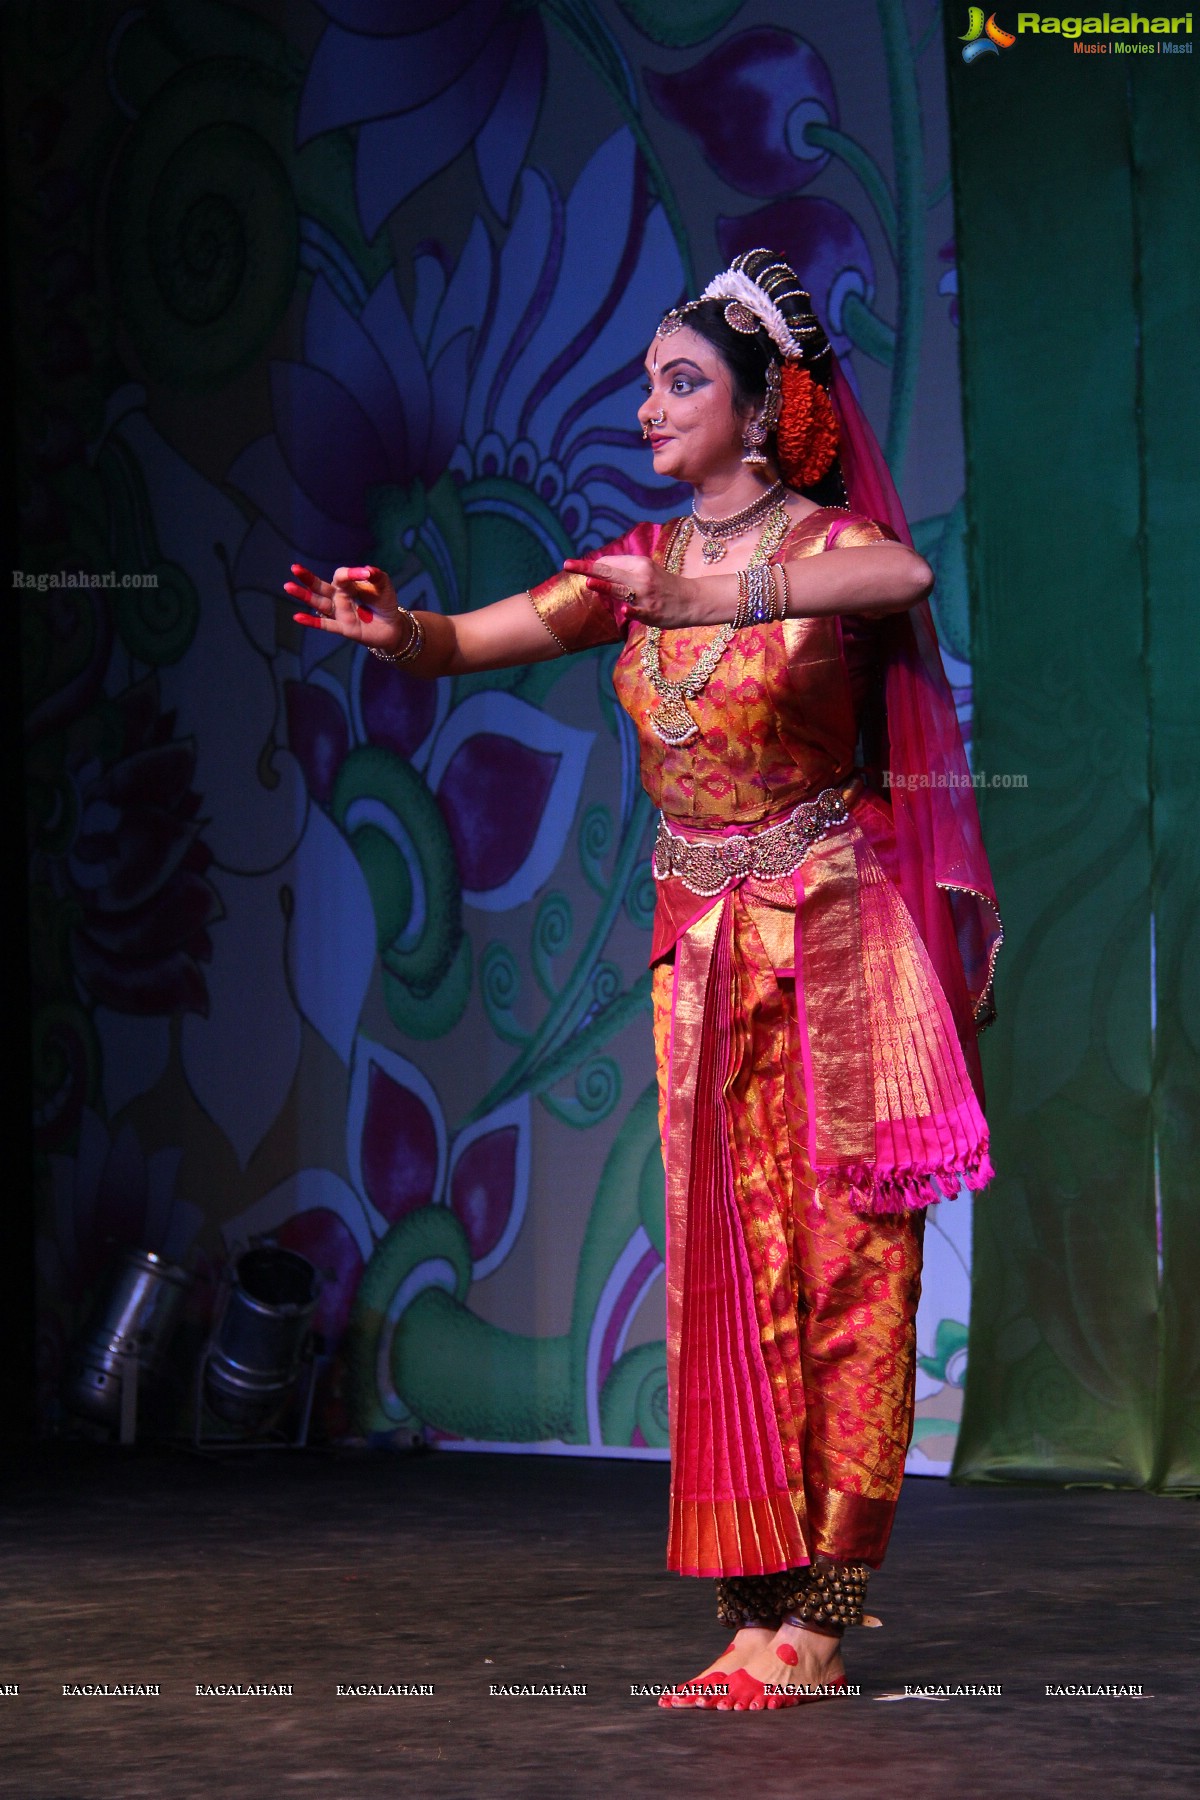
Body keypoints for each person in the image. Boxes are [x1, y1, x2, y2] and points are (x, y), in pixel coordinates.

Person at [286, 249, 1002, 1713]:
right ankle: (753, 1614)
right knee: (732, 1279)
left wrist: (721, 601)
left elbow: (903, 573)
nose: (647, 404)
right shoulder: (634, 566)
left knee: (850, 1279)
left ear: (760, 410)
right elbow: (476, 639)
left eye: (682, 382)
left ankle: (824, 1618)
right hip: (705, 962)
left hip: (840, 949)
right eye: (647, 380)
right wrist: (398, 632)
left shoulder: (827, 546)